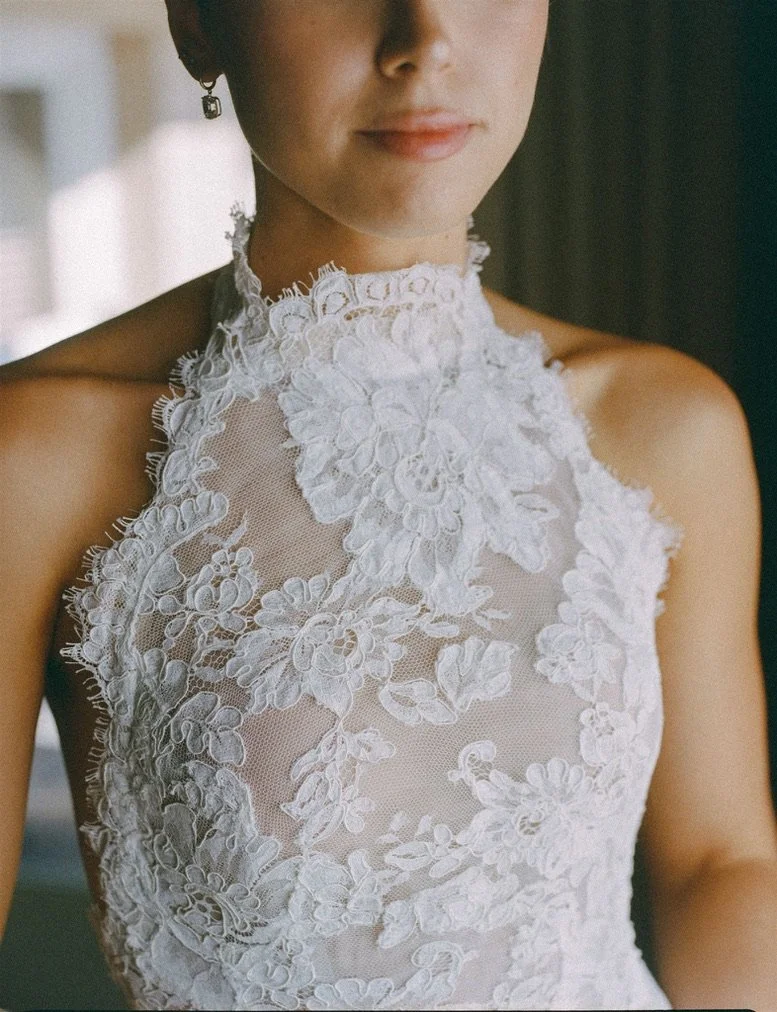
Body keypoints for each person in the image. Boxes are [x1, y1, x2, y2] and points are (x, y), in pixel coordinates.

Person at [1, 1, 775, 1009]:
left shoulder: (666, 428)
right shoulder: (41, 453)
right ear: (197, 23)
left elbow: (719, 859)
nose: (428, 38)